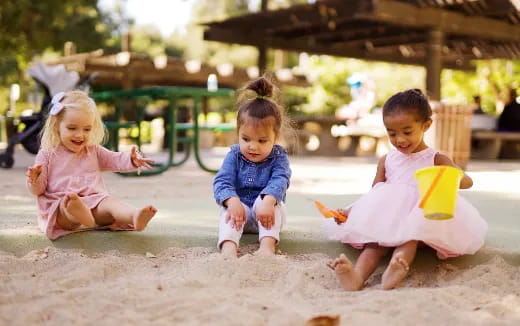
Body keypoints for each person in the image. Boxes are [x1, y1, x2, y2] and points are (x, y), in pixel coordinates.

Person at [324, 89, 488, 291]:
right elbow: (375, 194)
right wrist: (350, 212)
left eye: (407, 132)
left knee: (409, 238)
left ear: (426, 125)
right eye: (392, 133)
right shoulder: (387, 159)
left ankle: (396, 268)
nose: (399, 139)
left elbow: (466, 183)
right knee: (374, 244)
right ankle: (356, 277)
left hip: (420, 214)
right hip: (387, 216)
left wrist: (451, 174)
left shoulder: (436, 159)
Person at [26, 90, 157, 240]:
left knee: (110, 202)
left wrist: (132, 160)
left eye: (86, 129)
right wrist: (34, 179)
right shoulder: (47, 154)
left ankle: (134, 216)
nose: (80, 134)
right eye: (72, 128)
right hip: (62, 210)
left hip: (95, 207)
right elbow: (38, 190)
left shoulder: (93, 150)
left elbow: (114, 159)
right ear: (57, 126)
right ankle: (78, 212)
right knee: (68, 203)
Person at [213, 77, 291, 257]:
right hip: (240, 213)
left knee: (271, 202)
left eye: (262, 140)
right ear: (238, 133)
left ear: (275, 137)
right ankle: (229, 246)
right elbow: (222, 181)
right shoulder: (234, 155)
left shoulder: (279, 156)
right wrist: (232, 201)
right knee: (226, 209)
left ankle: (267, 247)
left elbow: (281, 179)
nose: (253, 146)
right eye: (246, 139)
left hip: (268, 213)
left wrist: (269, 200)